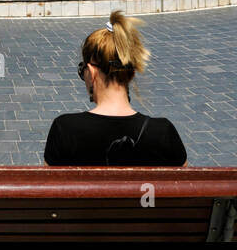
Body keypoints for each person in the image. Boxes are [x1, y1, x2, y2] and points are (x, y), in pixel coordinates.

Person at [44, 10, 187, 167]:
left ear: (91, 73)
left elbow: (47, 186)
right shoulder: (163, 132)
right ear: (131, 73)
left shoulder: (65, 129)